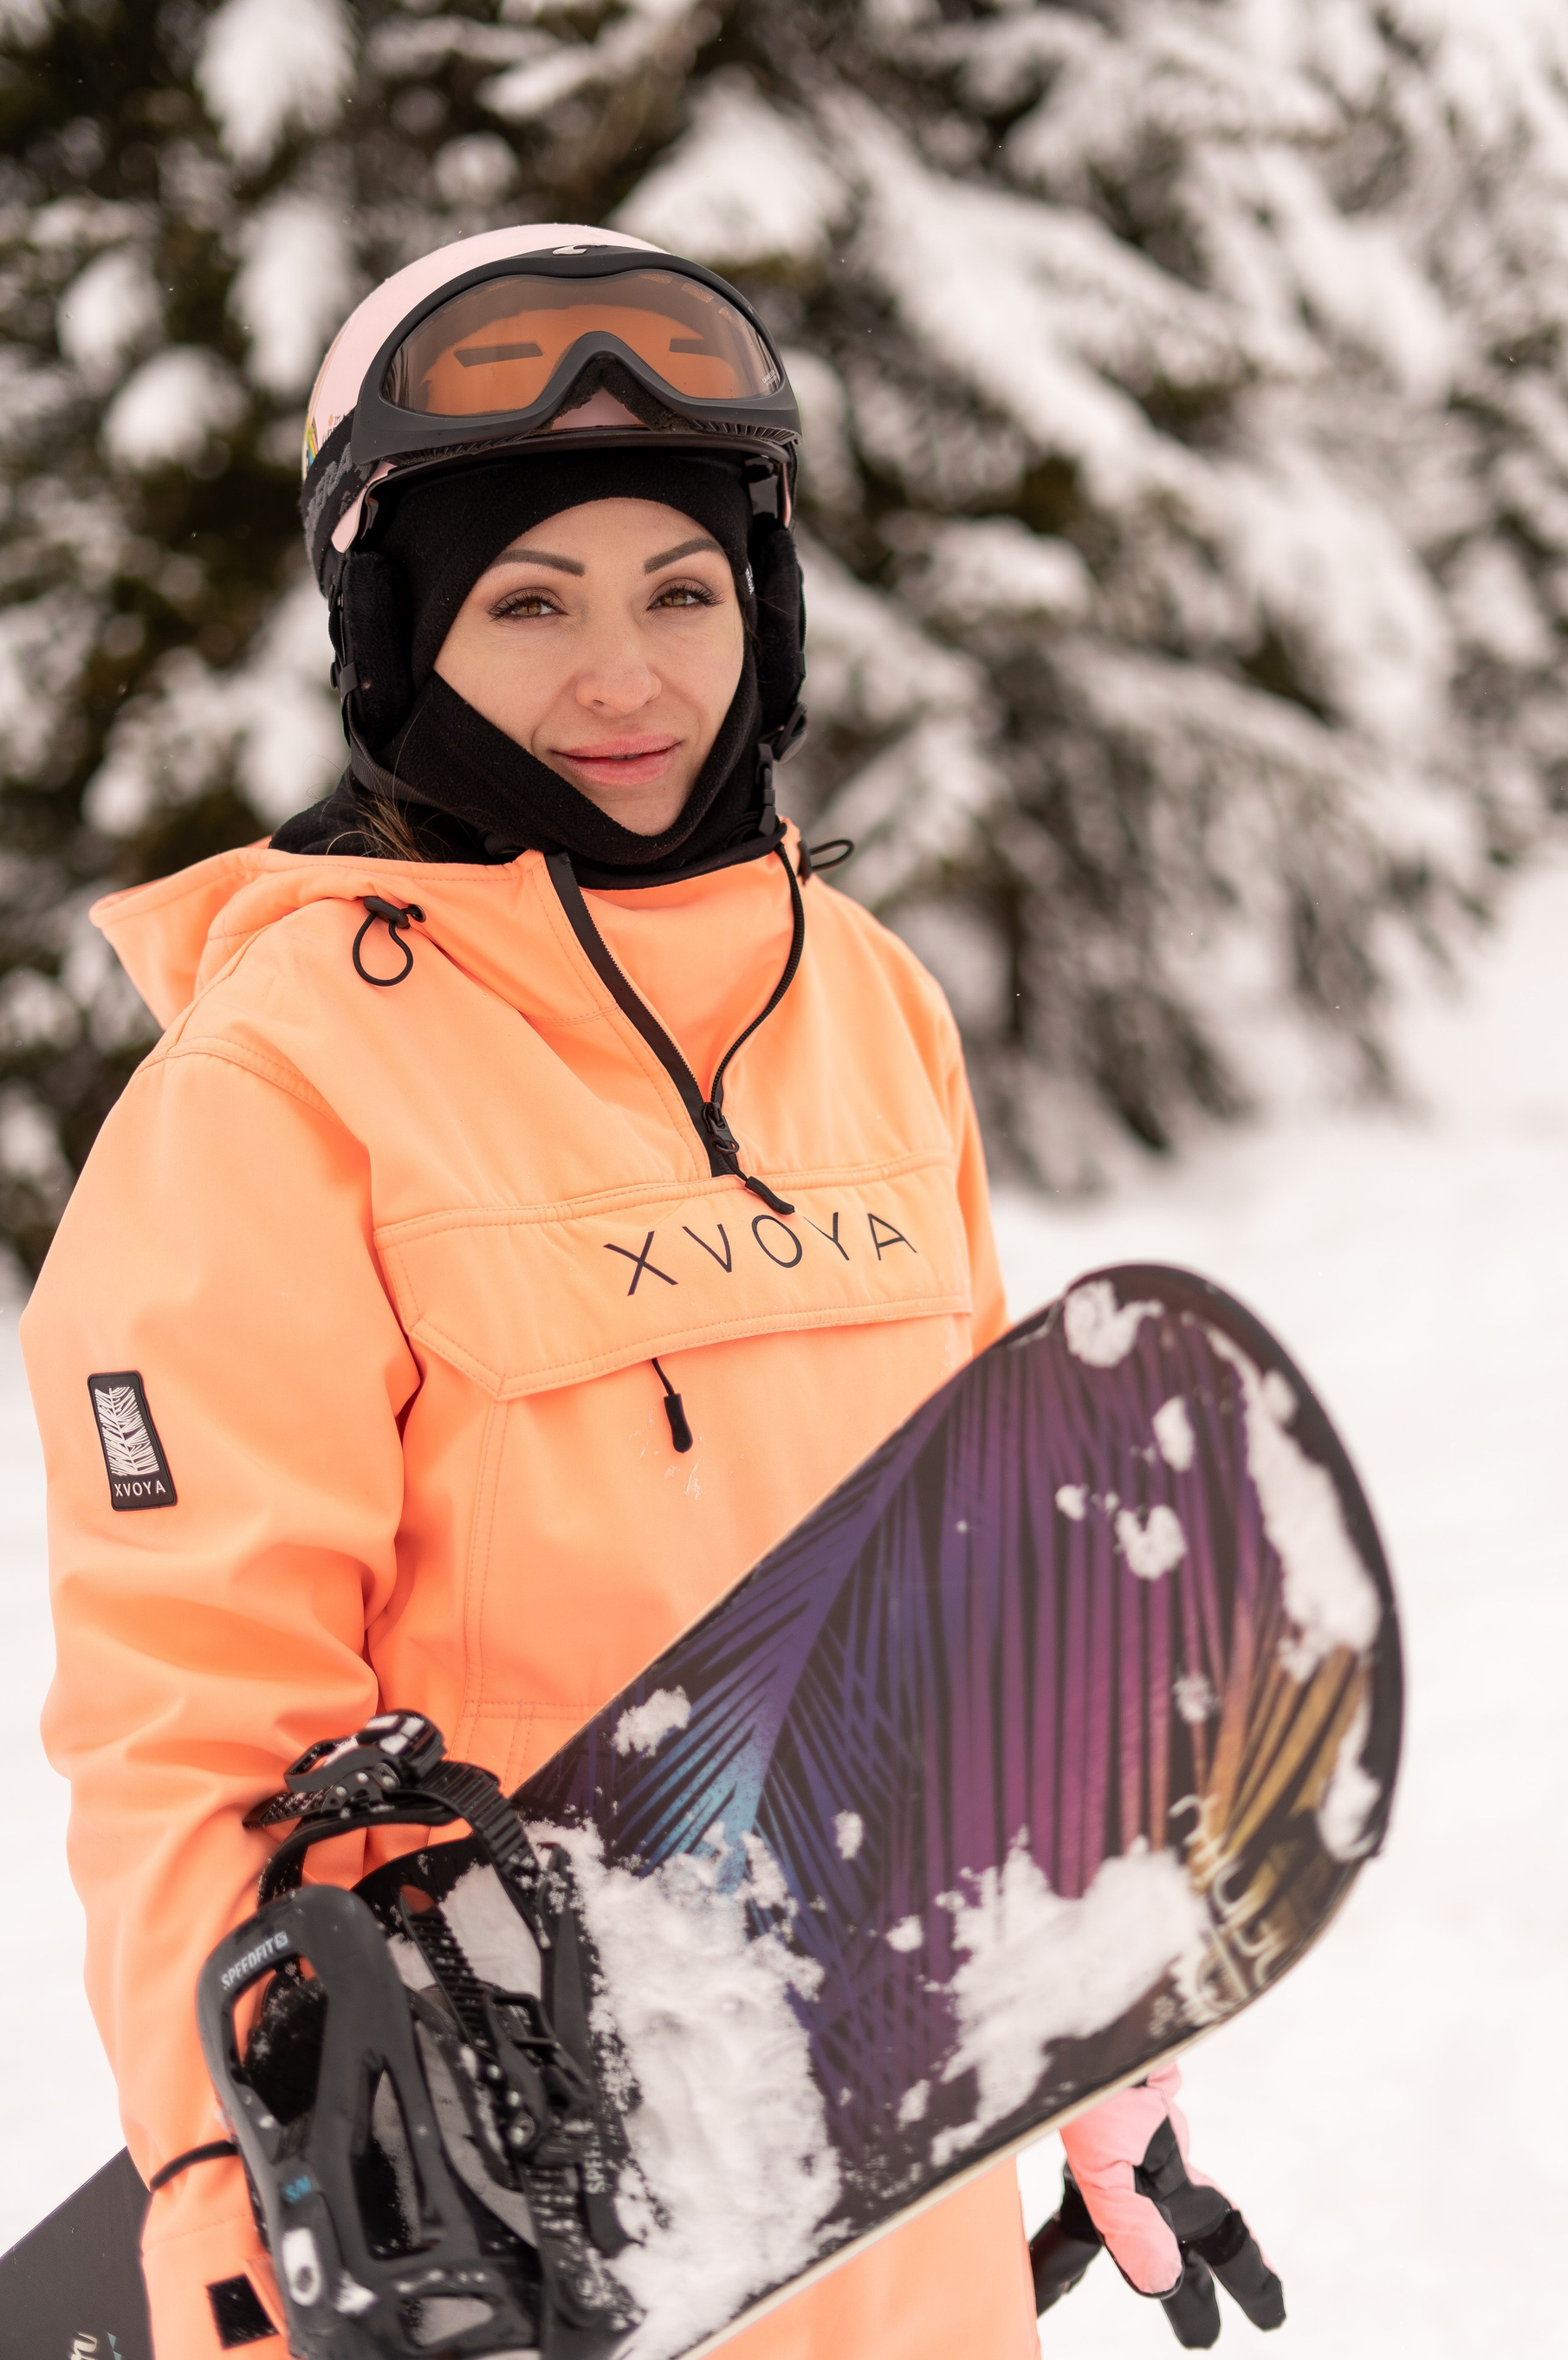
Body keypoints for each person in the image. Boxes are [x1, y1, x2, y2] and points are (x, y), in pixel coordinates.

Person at [22, 225, 1274, 2357]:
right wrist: (241, 2213)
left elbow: (973, 1588)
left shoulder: (864, 1002)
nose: (628, 677)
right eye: (532, 603)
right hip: (501, 2206)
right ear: (399, 632)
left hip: (890, 2164)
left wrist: (1094, 2026)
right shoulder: (277, 1083)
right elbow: (195, 1719)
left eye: (683, 592)